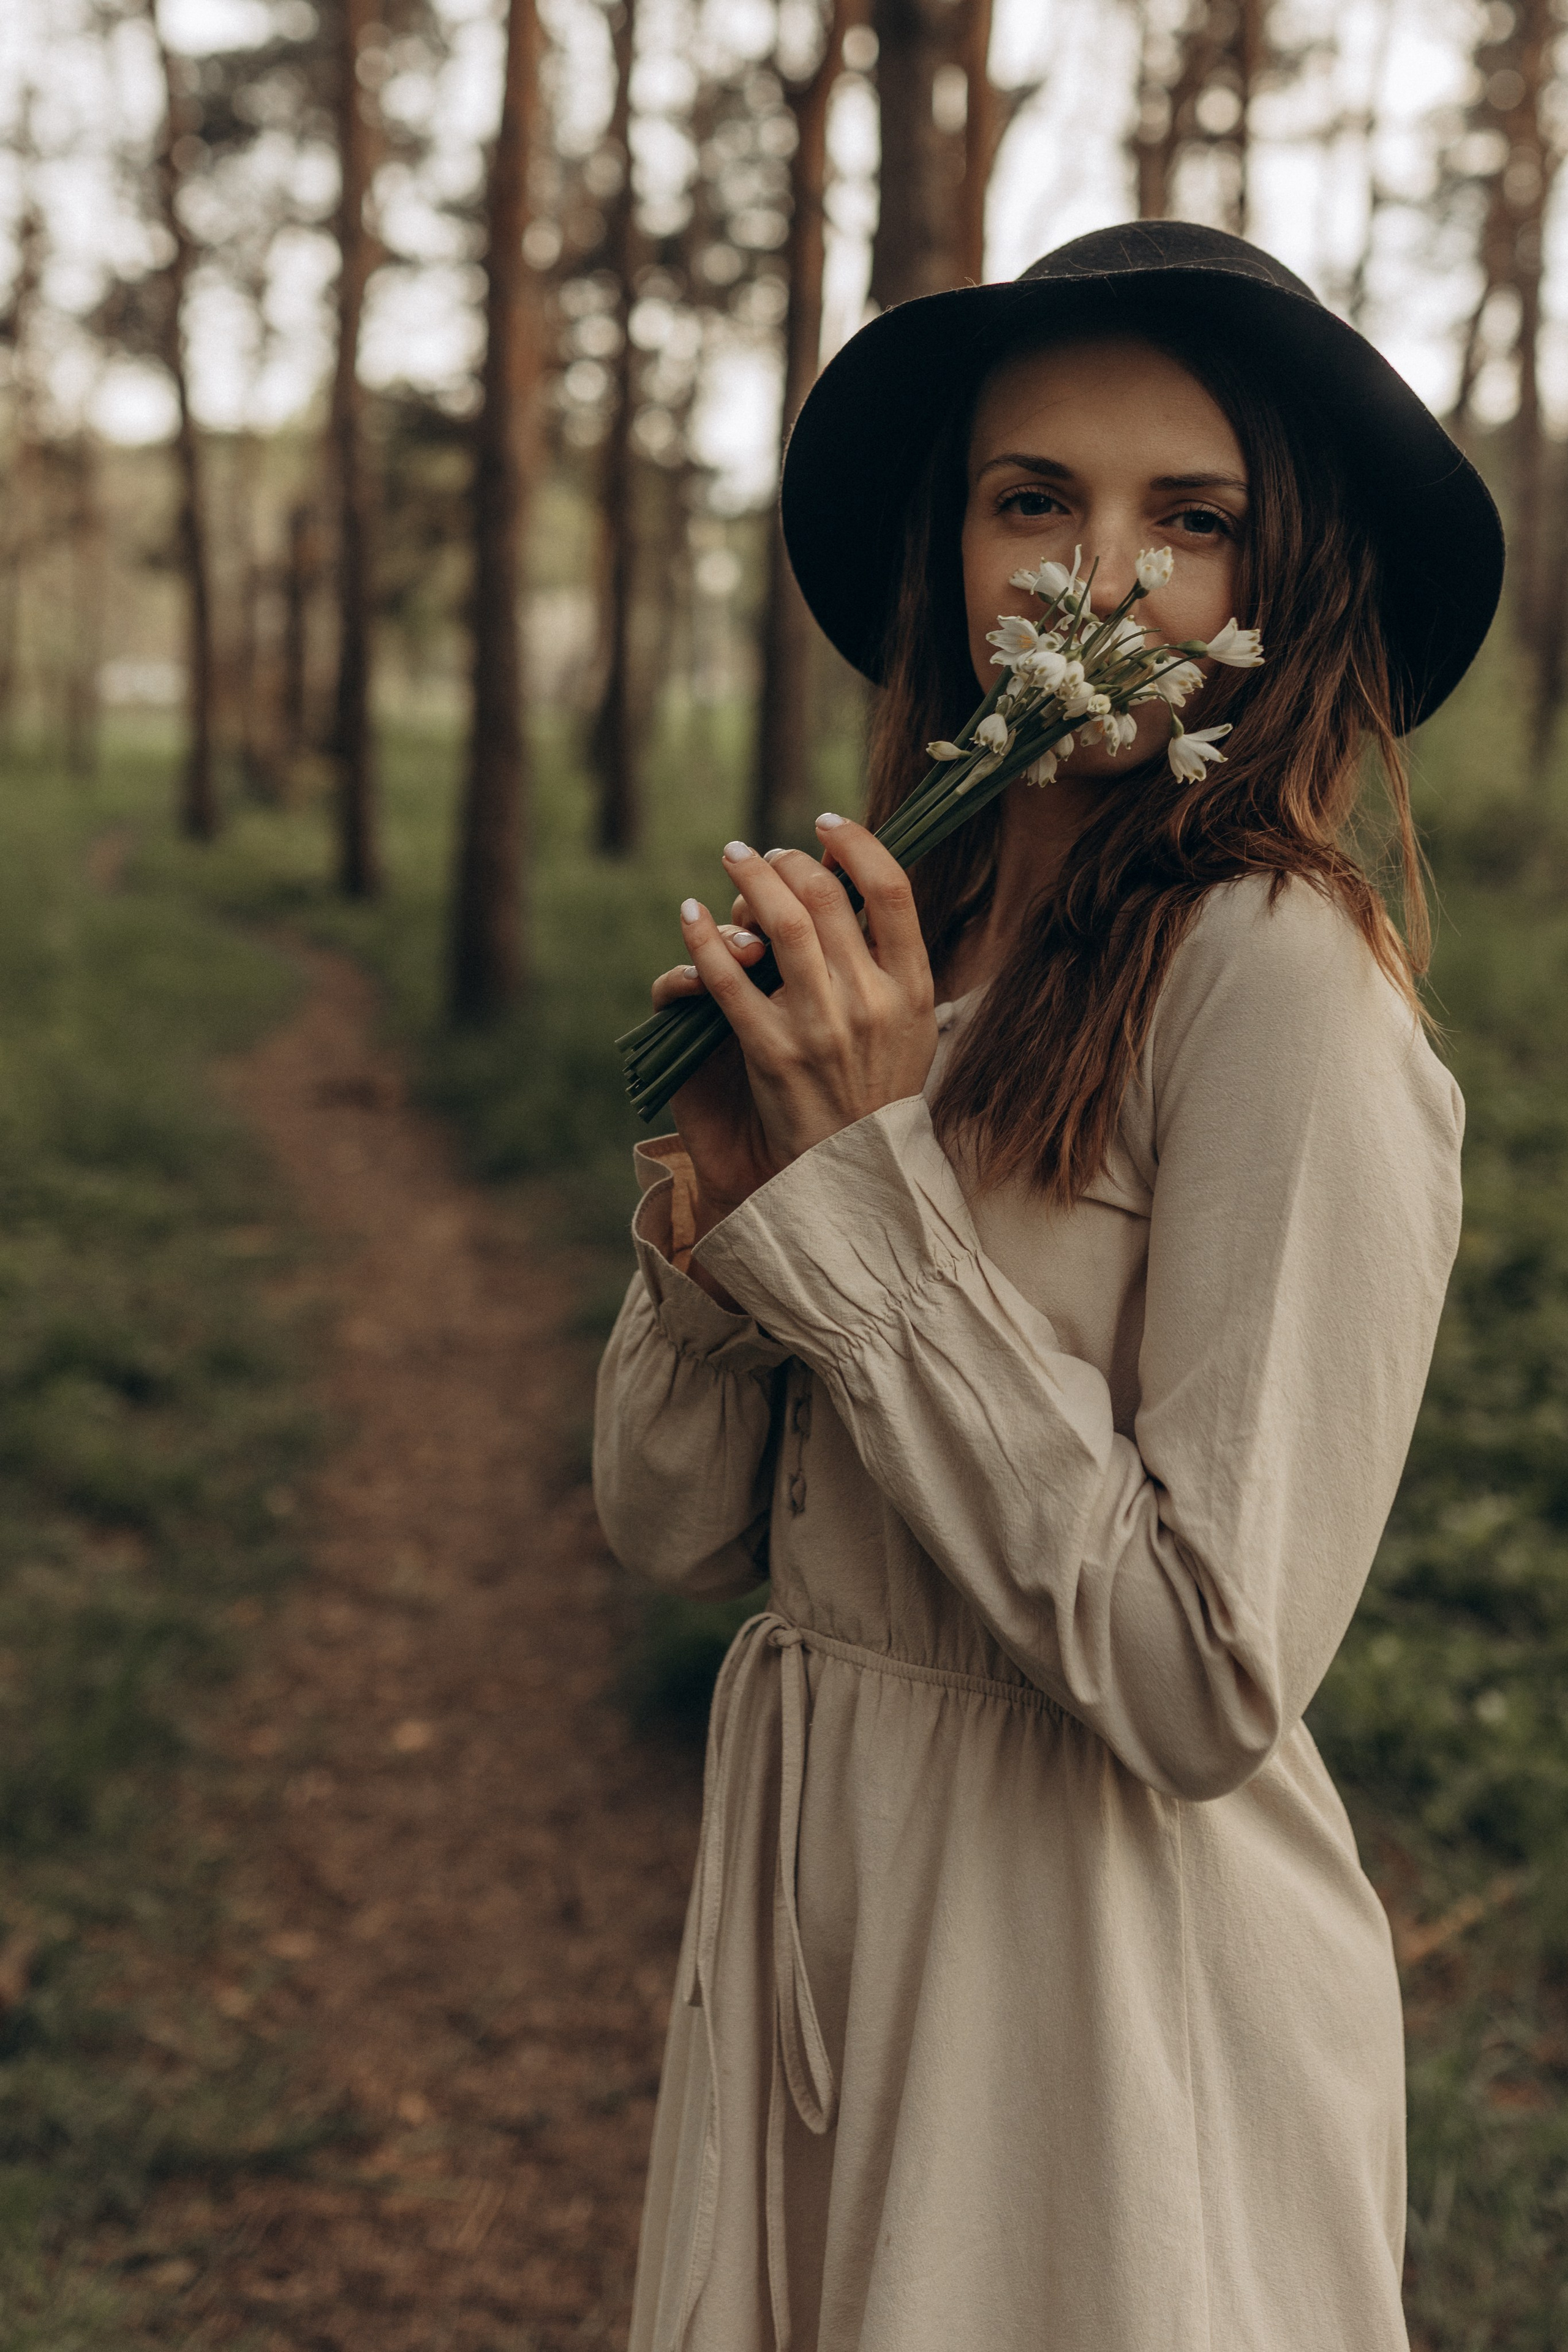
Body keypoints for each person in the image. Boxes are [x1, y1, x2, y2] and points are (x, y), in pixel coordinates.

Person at [592, 222, 1504, 2352]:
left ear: (1290, 593)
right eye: (1037, 502)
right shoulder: (910, 968)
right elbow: (668, 1526)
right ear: (954, 550)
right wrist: (745, 1193)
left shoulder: (1288, 990)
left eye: (1194, 522)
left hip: (1101, 1988)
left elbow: (1202, 1675)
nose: (1099, 579)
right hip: (826, 1897)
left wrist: (869, 1204)